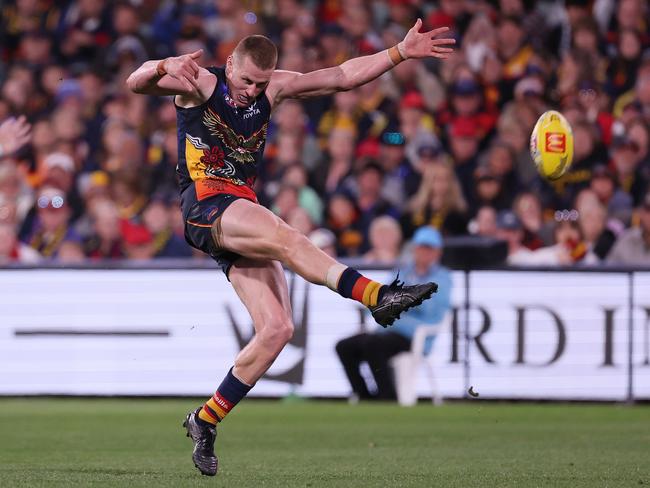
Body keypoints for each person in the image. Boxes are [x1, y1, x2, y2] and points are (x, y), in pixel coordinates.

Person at [126, 20, 455, 476]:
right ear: (229, 66)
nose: (251, 91)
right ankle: (377, 296)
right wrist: (163, 62)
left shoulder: (273, 90)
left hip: (238, 210)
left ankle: (204, 419)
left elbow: (342, 76)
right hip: (207, 201)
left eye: (261, 83)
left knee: (278, 328)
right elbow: (135, 83)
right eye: (245, 80)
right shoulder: (200, 83)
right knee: (288, 236)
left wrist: (398, 51)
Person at [335, 226, 452, 401]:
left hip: (414, 335)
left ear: (437, 252)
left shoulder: (443, 277)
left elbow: (429, 306)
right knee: (344, 346)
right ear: (414, 249)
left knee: (373, 344)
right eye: (421, 247)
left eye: (429, 248)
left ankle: (387, 397)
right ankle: (364, 396)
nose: (424, 252)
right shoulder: (405, 271)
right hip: (388, 331)